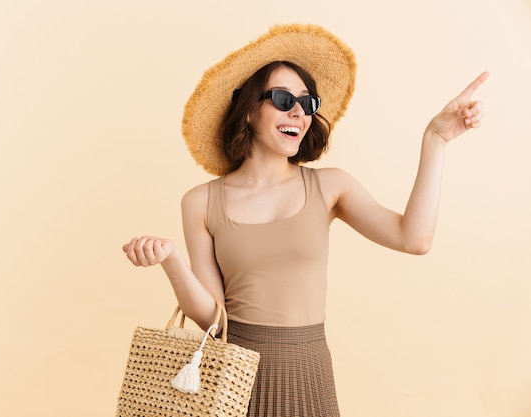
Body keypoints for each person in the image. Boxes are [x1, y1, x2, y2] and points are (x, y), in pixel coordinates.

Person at [122, 23, 488, 417]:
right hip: (233, 383)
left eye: (307, 102)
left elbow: (414, 239)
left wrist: (436, 139)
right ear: (248, 110)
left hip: (310, 376)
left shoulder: (331, 187)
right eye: (282, 98)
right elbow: (213, 318)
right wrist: (172, 260)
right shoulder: (199, 201)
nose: (298, 111)